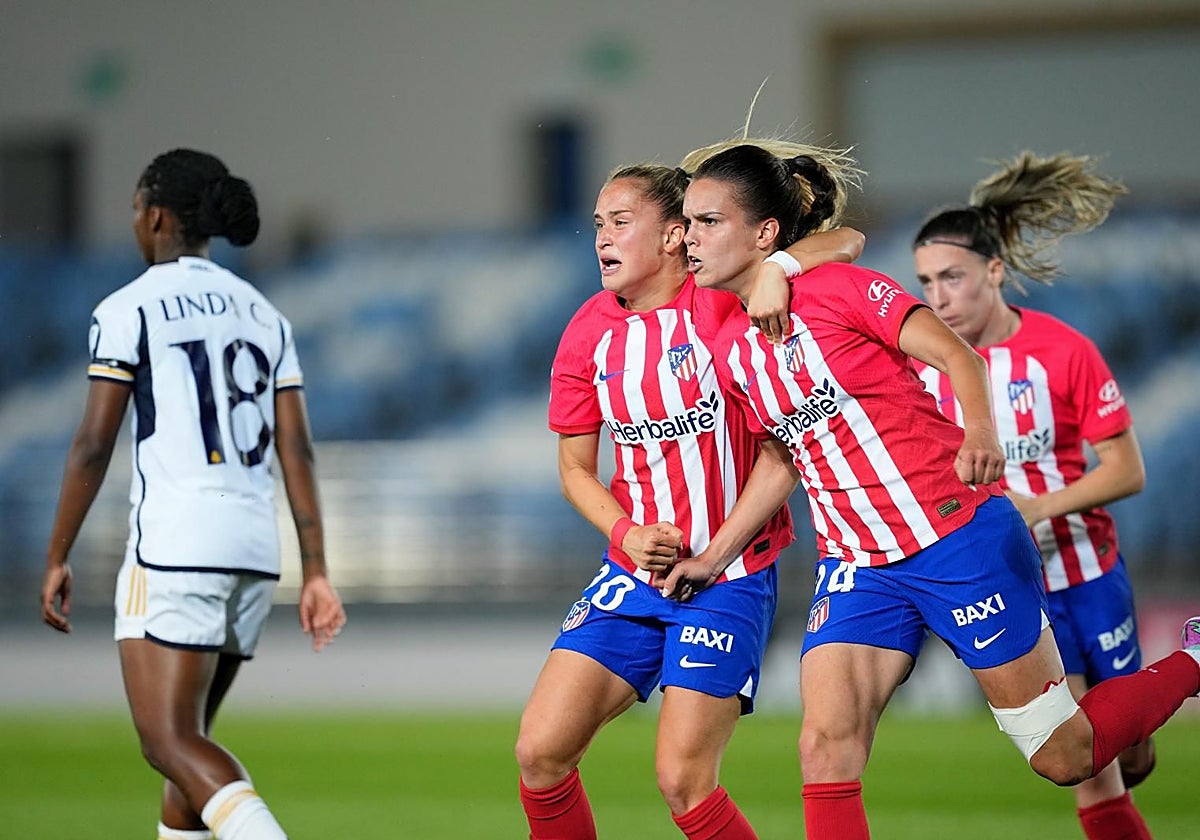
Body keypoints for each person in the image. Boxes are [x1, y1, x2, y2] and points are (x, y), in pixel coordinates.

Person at [664, 138, 1200, 840]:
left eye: (708, 221)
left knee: (1065, 755)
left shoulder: (837, 292)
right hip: (858, 564)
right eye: (687, 221)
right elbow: (778, 460)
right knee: (825, 747)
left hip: (956, 537)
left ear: (764, 233)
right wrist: (713, 557)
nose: (687, 237)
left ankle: (1194, 658)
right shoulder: (725, 338)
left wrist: (980, 432)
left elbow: (957, 354)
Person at [516, 162, 863, 839]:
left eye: (620, 223)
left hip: (728, 577)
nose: (602, 239)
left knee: (682, 778)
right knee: (540, 752)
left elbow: (845, 240)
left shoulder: (722, 303)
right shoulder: (587, 332)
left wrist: (778, 267)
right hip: (631, 573)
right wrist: (625, 535)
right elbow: (575, 469)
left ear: (675, 236)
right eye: (597, 225)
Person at [39, 148, 346, 840]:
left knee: (166, 742)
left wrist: (57, 553)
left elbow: (92, 444)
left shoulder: (129, 307)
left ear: (155, 217)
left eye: (134, 213)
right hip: (253, 549)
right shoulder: (265, 315)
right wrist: (317, 569)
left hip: (176, 544)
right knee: (191, 750)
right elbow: (295, 449)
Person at [912, 151, 1157, 838]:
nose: (939, 297)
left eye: (953, 278)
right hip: (1025, 590)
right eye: (927, 281)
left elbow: (1128, 470)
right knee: (1086, 763)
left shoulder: (1063, 351)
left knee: (1132, 756)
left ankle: (1185, 666)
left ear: (994, 272)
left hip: (1089, 571)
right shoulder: (925, 367)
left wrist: (1040, 508)